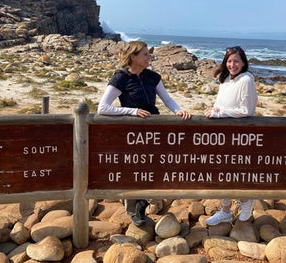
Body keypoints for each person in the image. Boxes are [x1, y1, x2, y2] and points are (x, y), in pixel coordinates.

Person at [98, 40, 191, 226]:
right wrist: (131, 111)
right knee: (136, 170)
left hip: (154, 131)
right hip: (132, 134)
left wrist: (178, 111)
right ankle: (136, 208)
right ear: (133, 57)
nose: (149, 57)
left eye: (149, 54)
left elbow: (167, 99)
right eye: (145, 54)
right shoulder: (121, 78)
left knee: (160, 168)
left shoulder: (153, 77)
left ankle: (142, 201)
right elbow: (103, 108)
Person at [204, 45, 258, 225]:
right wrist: (215, 109)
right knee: (221, 173)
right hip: (222, 134)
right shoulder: (225, 80)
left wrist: (221, 113)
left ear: (243, 62)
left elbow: (246, 110)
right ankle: (225, 211)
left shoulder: (246, 80)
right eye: (229, 61)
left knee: (235, 172)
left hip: (238, 136)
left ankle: (245, 200)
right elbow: (224, 104)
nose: (232, 64)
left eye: (236, 61)